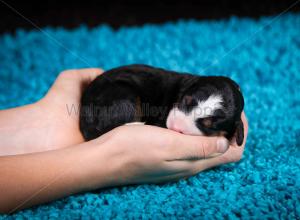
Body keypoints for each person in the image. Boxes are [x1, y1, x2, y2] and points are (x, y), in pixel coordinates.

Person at [0, 68, 248, 213]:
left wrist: (43, 124)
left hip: (105, 105)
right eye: (186, 106)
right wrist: (110, 158)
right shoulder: (178, 86)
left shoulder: (191, 90)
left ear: (233, 131)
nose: (177, 123)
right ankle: (107, 135)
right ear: (189, 88)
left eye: (205, 126)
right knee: (125, 104)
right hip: (115, 93)